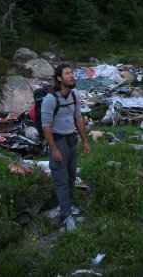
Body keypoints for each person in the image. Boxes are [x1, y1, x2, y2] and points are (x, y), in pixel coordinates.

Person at [41, 64, 90, 231]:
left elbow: (78, 119)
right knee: (60, 179)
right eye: (68, 73)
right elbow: (45, 126)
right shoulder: (50, 100)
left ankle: (66, 206)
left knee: (71, 176)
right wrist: (54, 149)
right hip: (58, 142)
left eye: (72, 73)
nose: (72, 76)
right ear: (59, 78)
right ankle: (66, 215)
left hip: (71, 141)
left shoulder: (74, 96)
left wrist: (85, 140)